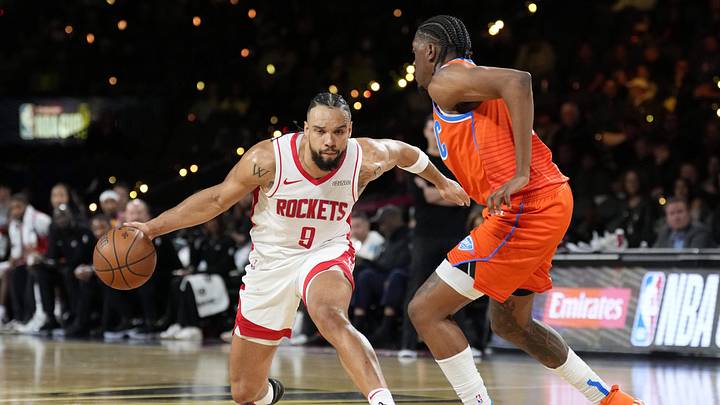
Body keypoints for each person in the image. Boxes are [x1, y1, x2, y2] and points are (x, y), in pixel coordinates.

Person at [126, 92, 469, 405]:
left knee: (330, 314)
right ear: (306, 129)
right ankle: (269, 394)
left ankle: (382, 400)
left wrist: (443, 181)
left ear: (349, 129)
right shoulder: (268, 158)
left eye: (338, 131)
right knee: (245, 392)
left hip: (326, 251)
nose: (329, 140)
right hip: (271, 263)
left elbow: (408, 153)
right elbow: (216, 200)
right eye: (320, 131)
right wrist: (152, 228)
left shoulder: (365, 157)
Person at [406, 15, 642, 405]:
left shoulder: (446, 79)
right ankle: (613, 401)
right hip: (547, 201)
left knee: (425, 311)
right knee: (512, 324)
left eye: (414, 53)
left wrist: (518, 173)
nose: (413, 63)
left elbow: (520, 80)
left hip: (527, 208)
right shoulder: (465, 83)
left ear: (430, 50)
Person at [399, 115, 470, 358]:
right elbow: (425, 199)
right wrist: (448, 193)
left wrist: (433, 191)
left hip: (454, 234)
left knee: (458, 287)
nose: (435, 132)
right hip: (425, 235)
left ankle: (465, 345)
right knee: (416, 284)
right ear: (425, 131)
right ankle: (407, 344)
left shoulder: (456, 162)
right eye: (431, 127)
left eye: (438, 128)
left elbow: (465, 199)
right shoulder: (418, 163)